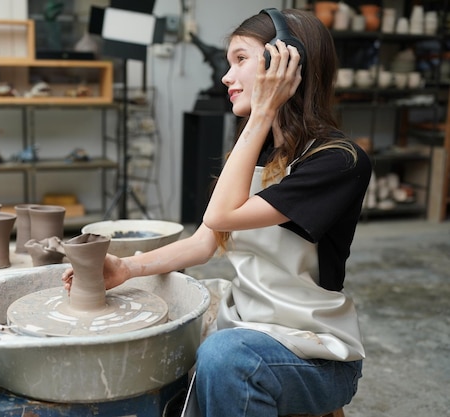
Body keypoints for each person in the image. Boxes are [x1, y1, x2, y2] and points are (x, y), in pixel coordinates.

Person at [63, 8, 371, 417]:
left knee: (227, 357)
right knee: (168, 343)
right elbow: (206, 240)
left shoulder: (338, 161)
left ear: (286, 59)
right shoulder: (260, 151)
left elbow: (221, 216)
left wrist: (261, 112)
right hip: (249, 329)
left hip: (312, 352)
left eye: (241, 59)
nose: (226, 77)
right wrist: (126, 269)